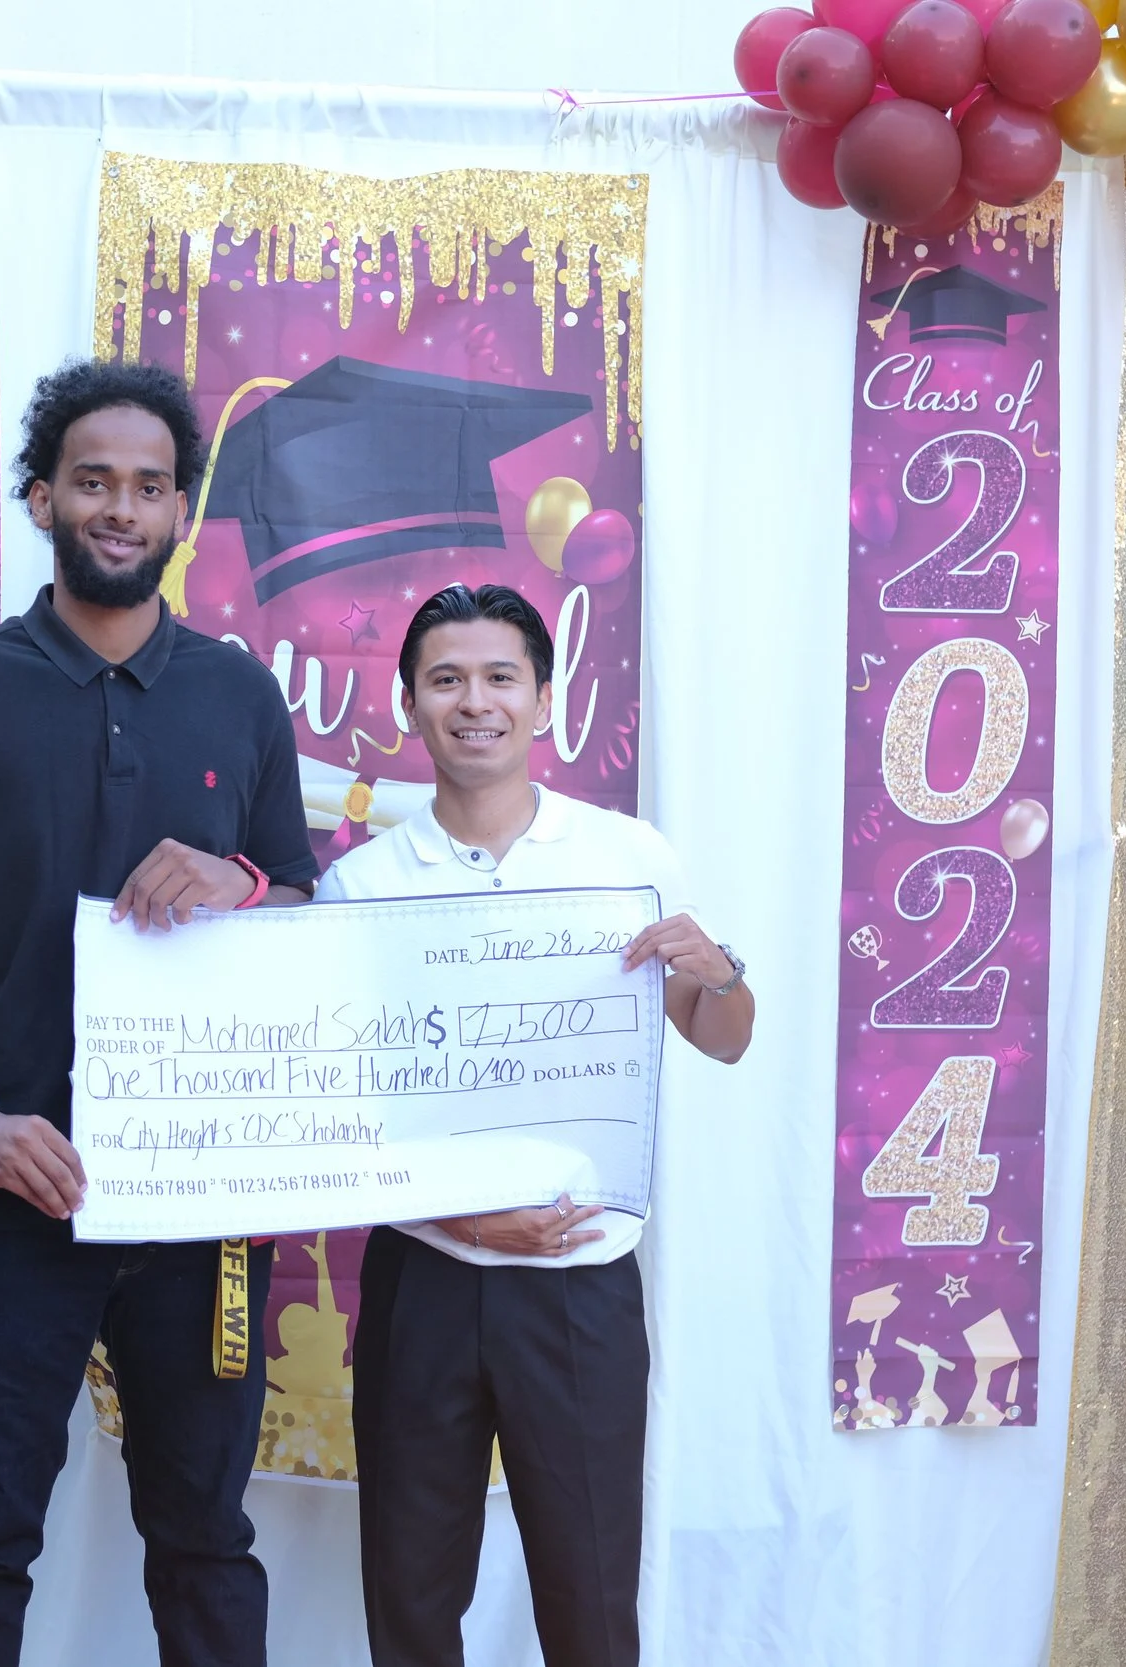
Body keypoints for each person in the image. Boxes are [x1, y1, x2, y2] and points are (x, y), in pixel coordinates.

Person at [0, 359, 319, 1667]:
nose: (121, 506)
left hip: (201, 1204)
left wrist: (241, 881)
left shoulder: (238, 693)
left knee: (207, 1535)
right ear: (42, 496)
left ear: (179, 511)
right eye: (94, 480)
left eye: (150, 486)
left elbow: (298, 904)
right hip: (9, 1191)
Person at [316, 583, 755, 1667]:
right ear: (409, 704)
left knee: (591, 1595)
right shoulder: (359, 887)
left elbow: (724, 1038)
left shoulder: (626, 855)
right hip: (423, 1278)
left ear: (544, 701)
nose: (475, 701)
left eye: (500, 677)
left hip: (577, 1278)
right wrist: (465, 1221)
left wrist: (720, 973)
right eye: (446, 679)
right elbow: (341, 1115)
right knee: (411, 1597)